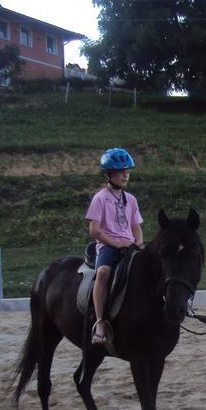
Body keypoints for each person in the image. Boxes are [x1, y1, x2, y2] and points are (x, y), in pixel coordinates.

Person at [85, 148, 144, 345]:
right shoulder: (100, 198)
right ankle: (101, 322)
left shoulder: (131, 200)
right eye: (120, 171)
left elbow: (136, 228)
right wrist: (116, 243)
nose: (125, 175)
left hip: (130, 245)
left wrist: (138, 243)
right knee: (102, 272)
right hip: (108, 247)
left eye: (127, 171)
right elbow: (94, 230)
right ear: (109, 174)